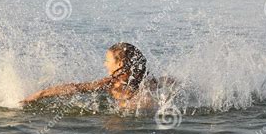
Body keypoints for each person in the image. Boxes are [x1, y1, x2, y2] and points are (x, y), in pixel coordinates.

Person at [21, 42, 171, 109]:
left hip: (129, 118)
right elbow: (168, 81)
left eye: (107, 60)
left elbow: (76, 88)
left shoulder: (113, 83)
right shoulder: (146, 78)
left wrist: (41, 94)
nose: (105, 64)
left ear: (119, 64)